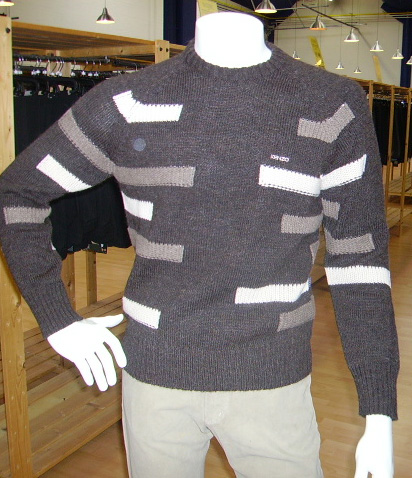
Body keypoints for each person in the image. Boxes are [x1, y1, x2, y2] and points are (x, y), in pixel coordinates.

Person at [0, 11, 399, 478]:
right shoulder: (127, 103)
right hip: (155, 379)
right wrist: (57, 319)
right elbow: (16, 194)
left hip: (272, 381)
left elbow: (360, 261)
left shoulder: (330, 105)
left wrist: (378, 412)